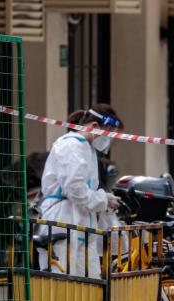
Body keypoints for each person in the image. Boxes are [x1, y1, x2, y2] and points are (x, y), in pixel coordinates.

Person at [36, 104, 123, 279]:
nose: (108, 140)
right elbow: (76, 190)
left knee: (89, 281)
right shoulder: (71, 146)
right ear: (95, 127)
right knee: (64, 284)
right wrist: (103, 200)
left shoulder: (85, 148)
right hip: (63, 218)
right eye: (109, 133)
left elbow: (83, 188)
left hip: (79, 222)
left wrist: (103, 197)